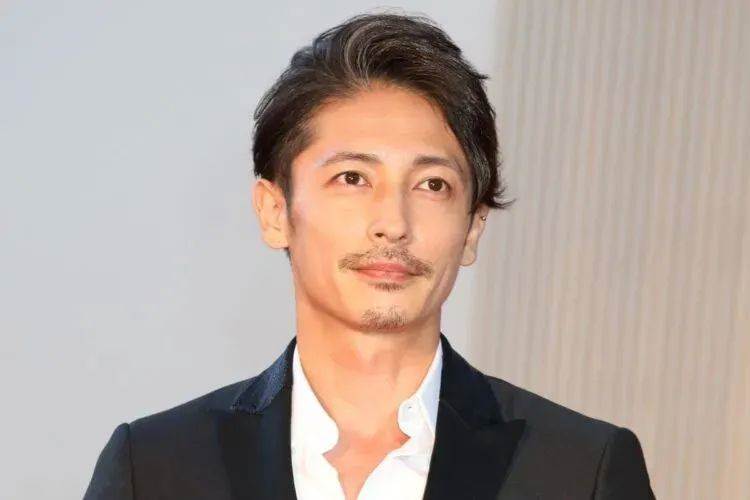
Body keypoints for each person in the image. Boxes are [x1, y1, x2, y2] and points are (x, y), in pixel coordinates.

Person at [84, 12, 655, 500]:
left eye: (432, 185)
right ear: (275, 211)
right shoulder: (155, 467)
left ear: (473, 228)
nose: (393, 224)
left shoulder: (580, 470)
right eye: (353, 178)